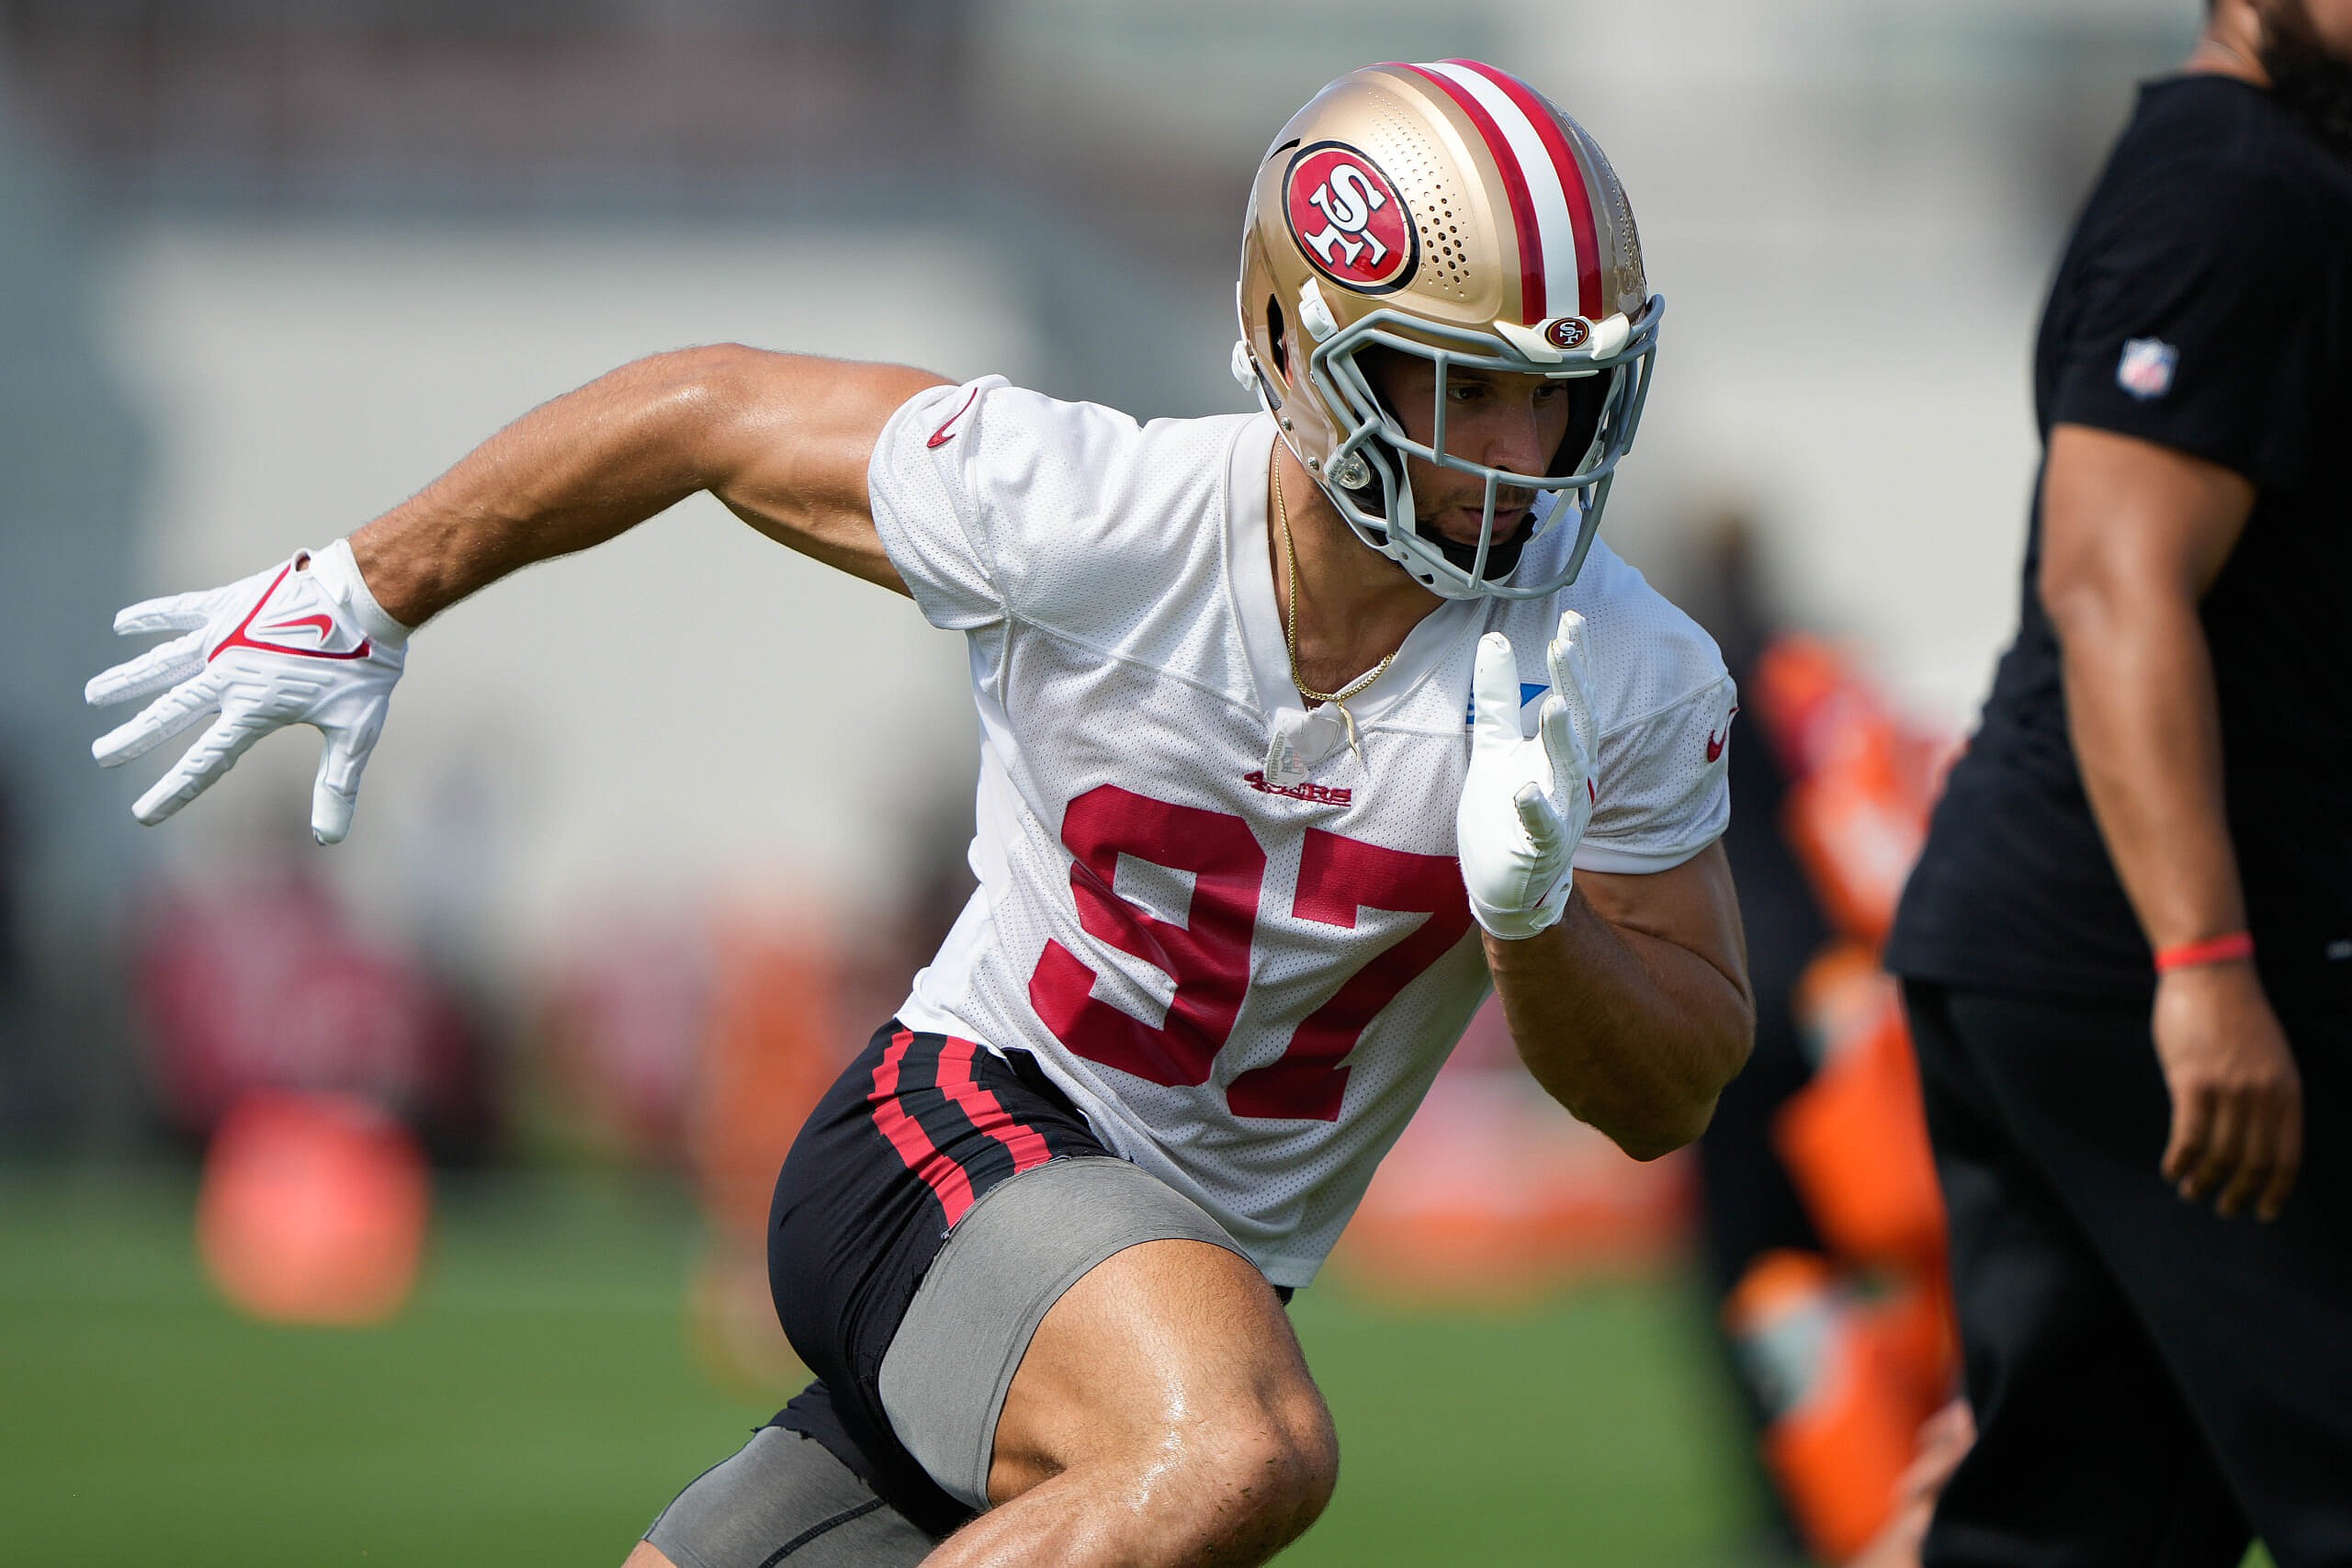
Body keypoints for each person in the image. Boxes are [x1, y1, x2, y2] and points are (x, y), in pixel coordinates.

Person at [85, 62, 1752, 1568]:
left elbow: (1674, 1085)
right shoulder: (1096, 516)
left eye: (1567, 394)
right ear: (1313, 350)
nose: (1531, 453)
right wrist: (377, 581)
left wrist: (1533, 922)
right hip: (956, 1139)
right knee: (1236, 1448)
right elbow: (707, 407)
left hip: (1126, 1292)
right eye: (1470, 391)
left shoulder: (1624, 670)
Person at [1882, 1, 2352, 1562]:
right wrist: (2204, 967)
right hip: (2146, 968)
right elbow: (2113, 579)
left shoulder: (2271, 171)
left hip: (2075, 954)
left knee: (2080, 1532)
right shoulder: (2237, 182)